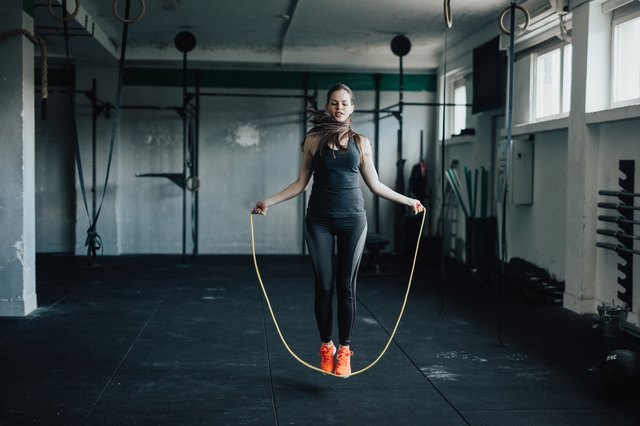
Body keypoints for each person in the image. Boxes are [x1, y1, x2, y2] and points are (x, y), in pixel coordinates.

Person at [252, 83, 424, 378]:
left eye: (344, 103)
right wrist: (269, 200)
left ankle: (344, 350)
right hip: (318, 220)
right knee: (324, 286)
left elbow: (376, 185)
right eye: (334, 103)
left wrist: (410, 200)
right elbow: (300, 184)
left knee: (347, 287)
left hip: (353, 221)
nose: (339, 107)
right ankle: (326, 346)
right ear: (327, 106)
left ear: (352, 108)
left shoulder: (361, 142)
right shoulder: (313, 140)